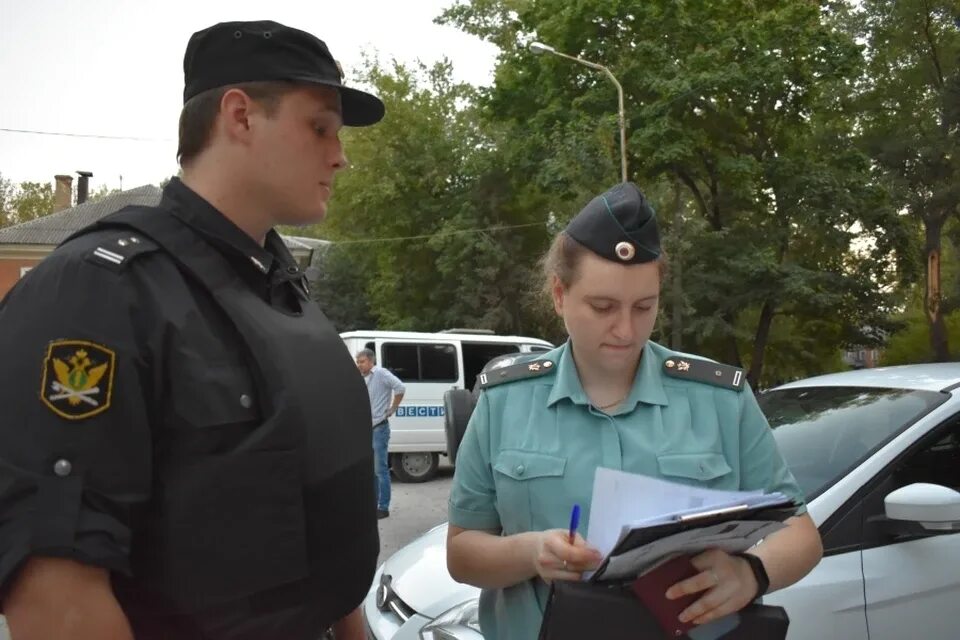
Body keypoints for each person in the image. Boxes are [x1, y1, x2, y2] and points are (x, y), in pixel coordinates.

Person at [0, 20, 385, 640]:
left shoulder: (279, 287)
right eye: (320, 127)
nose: (339, 155)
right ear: (239, 116)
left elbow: (312, 515)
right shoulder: (102, 291)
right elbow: (55, 599)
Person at [446, 182, 823, 640]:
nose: (625, 330)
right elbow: (462, 551)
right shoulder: (506, 400)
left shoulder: (719, 399)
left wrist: (751, 573)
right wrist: (530, 553)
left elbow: (801, 535)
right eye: (603, 307)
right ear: (560, 294)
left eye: (644, 307)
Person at [356, 348, 406, 519]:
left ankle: (383, 506)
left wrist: (393, 408)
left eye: (361, 361)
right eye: (358, 361)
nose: (359, 365)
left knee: (380, 469)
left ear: (370, 361)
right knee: (371, 470)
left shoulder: (381, 374)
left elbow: (400, 387)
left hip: (379, 427)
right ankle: (373, 504)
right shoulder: (363, 378)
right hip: (365, 428)